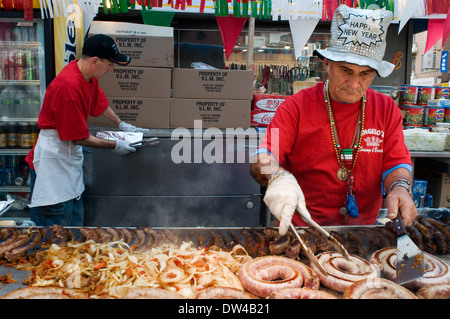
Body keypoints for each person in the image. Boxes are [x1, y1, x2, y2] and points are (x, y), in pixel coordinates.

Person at [250, 5, 417, 236]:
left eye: (365, 74)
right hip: (305, 229)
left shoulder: (386, 108)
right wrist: (277, 177)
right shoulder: (296, 106)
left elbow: (396, 163)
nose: (354, 84)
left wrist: (401, 188)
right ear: (327, 64)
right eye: (346, 70)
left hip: (364, 231)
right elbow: (264, 156)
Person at [25, 34, 149, 227]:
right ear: (95, 60)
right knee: (55, 233)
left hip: (67, 161)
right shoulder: (68, 87)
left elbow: (98, 101)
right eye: (109, 64)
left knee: (74, 229)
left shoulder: (88, 76)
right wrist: (115, 144)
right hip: (52, 163)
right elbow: (79, 138)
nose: (111, 69)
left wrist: (121, 123)